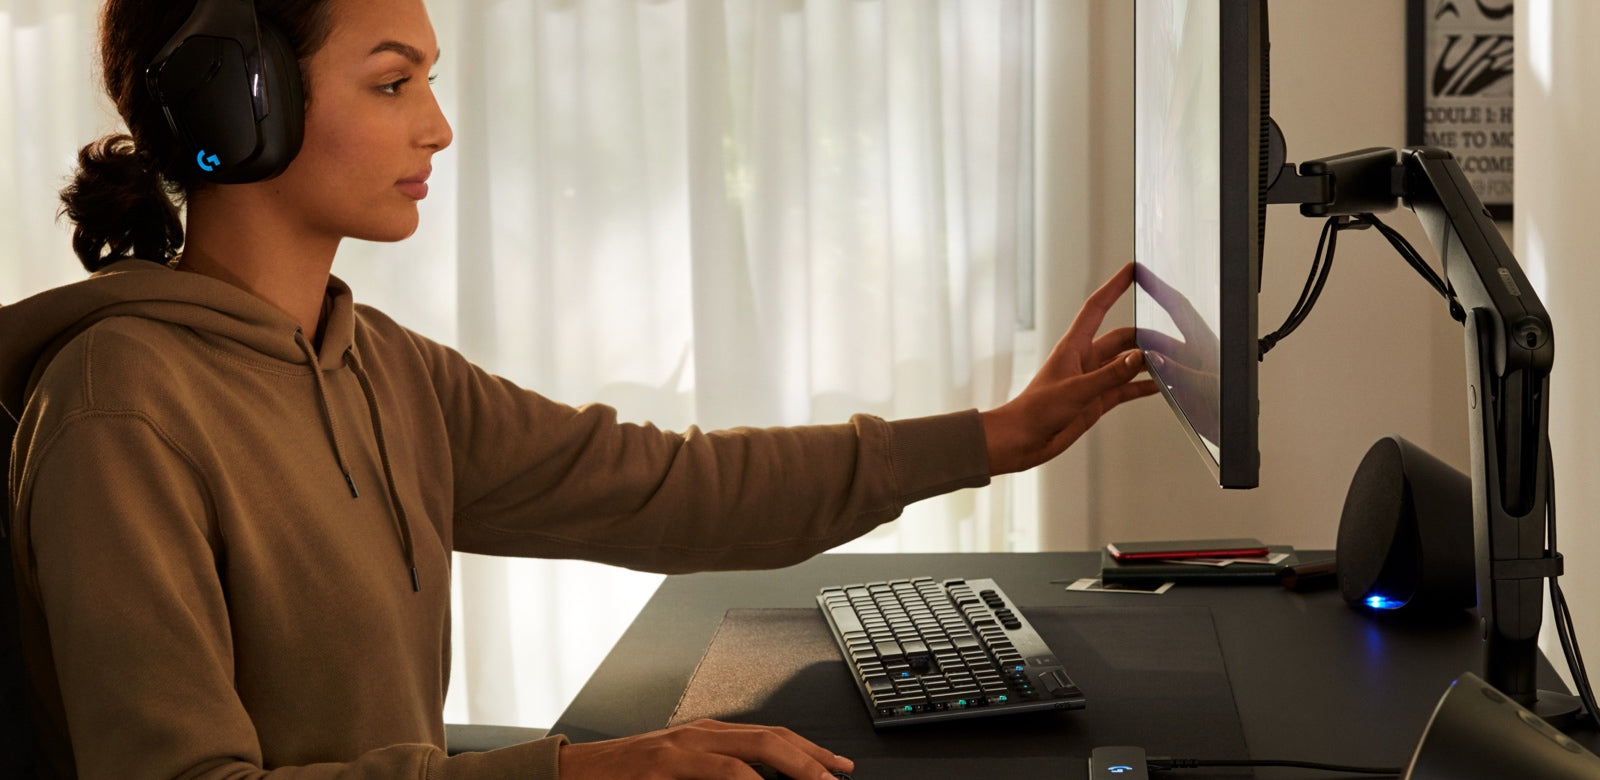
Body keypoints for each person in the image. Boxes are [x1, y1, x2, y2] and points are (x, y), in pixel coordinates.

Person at [0, 0, 1157, 777]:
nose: (438, 127)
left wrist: (992, 438)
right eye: (394, 83)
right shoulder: (122, 413)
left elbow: (663, 486)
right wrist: (577, 771)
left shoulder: (379, 366)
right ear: (237, 105)